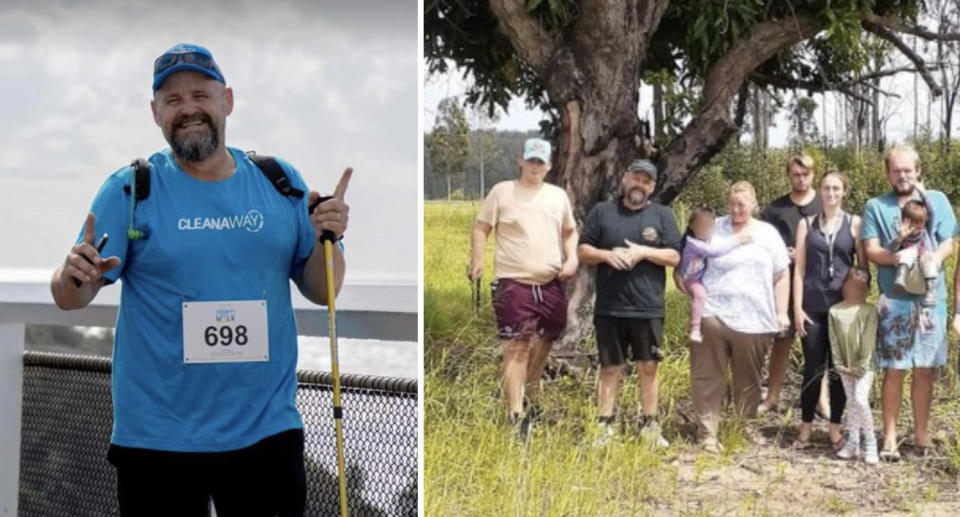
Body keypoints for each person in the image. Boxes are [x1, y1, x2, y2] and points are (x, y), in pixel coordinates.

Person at [50, 44, 351, 516]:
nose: (188, 108)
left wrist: (323, 238)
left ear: (226, 101)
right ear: (156, 113)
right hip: (157, 438)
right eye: (172, 100)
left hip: (265, 431)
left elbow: (323, 289)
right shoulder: (131, 189)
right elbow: (71, 297)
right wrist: (71, 277)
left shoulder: (280, 182)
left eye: (200, 95)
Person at [467, 137, 578, 438]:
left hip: (551, 282)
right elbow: (482, 227)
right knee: (515, 346)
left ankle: (533, 382)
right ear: (521, 161)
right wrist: (477, 259)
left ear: (549, 166)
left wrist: (572, 258)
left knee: (551, 332)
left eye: (541, 162)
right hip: (513, 281)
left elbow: (570, 232)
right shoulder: (502, 192)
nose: (535, 167)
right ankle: (516, 415)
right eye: (531, 161)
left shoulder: (557, 196)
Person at [861, 145, 957, 461]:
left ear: (918, 170)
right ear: (888, 173)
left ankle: (920, 434)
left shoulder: (938, 200)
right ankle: (889, 436)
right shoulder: (876, 206)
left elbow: (949, 241)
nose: (902, 176)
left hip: (932, 302)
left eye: (908, 170)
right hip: (896, 301)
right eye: (896, 170)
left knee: (926, 370)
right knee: (894, 369)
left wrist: (931, 257)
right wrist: (901, 257)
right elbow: (872, 250)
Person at [578, 159, 681, 447]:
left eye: (646, 181)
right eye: (635, 178)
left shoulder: (663, 215)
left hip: (648, 306)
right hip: (610, 307)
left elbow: (674, 256)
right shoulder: (602, 212)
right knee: (610, 367)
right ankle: (604, 426)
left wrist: (643, 253)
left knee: (648, 366)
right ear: (625, 179)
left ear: (653, 187)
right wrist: (606, 255)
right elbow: (583, 251)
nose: (640, 184)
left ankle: (649, 425)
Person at [682, 181, 790, 453]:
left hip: (755, 320)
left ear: (753, 203)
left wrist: (781, 312)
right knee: (707, 375)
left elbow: (781, 274)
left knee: (749, 378)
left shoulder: (768, 233)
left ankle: (746, 428)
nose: (736, 209)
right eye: (731, 203)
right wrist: (691, 293)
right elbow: (686, 260)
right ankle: (707, 433)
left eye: (741, 204)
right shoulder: (711, 227)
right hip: (713, 314)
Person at [792, 171, 865, 450]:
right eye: (826, 188)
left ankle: (835, 429)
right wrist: (797, 308)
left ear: (843, 191)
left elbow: (862, 269)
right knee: (812, 369)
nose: (831, 193)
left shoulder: (854, 224)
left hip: (842, 310)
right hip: (813, 307)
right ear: (819, 191)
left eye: (836, 188)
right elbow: (799, 268)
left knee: (839, 371)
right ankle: (805, 429)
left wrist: (858, 306)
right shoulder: (806, 223)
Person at [759, 153, 823, 415]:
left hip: (817, 283)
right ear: (789, 176)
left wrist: (806, 253)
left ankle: (820, 399)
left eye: (806, 174)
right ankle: (772, 395)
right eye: (796, 174)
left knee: (819, 344)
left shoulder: (825, 202)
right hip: (783, 282)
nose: (801, 179)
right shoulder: (775, 209)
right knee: (782, 339)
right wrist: (780, 254)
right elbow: (762, 244)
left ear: (813, 174)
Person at [678, 205, 752, 343]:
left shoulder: (703, 239)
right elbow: (714, 252)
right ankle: (695, 328)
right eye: (701, 226)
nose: (705, 230)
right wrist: (737, 240)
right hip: (691, 280)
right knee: (700, 295)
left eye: (709, 227)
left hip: (699, 277)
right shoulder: (693, 242)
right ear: (692, 226)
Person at [829, 268, 879, 465]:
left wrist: (861, 366)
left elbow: (868, 341)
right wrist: (839, 363)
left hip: (864, 367)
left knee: (860, 399)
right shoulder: (835, 311)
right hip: (844, 366)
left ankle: (871, 441)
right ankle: (853, 441)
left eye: (860, 288)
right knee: (851, 402)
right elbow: (833, 339)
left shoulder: (869, 311)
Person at [887, 195, 938, 307]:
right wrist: (900, 238)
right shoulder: (902, 234)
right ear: (906, 222)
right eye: (912, 226)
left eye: (919, 226)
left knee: (929, 257)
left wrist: (923, 193)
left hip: (925, 271)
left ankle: (931, 291)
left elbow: (932, 212)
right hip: (910, 273)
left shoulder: (926, 231)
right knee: (908, 252)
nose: (916, 230)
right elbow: (890, 249)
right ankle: (900, 279)